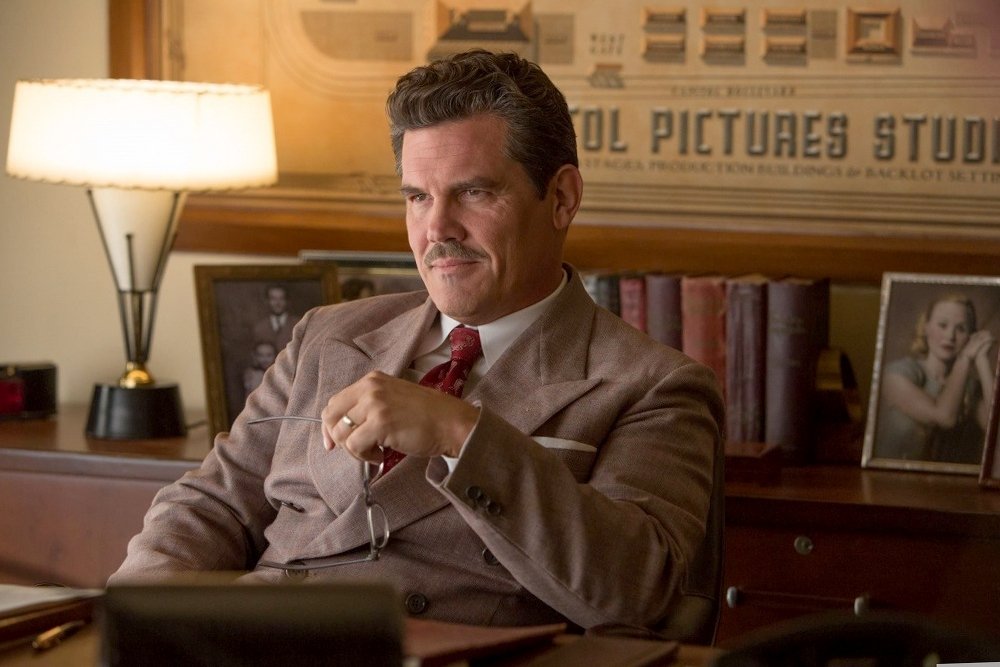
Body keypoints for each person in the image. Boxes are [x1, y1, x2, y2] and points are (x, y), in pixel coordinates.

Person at [110, 49, 724, 632]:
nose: (437, 229)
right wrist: (139, 625)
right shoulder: (327, 334)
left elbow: (635, 591)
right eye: (418, 197)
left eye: (474, 192)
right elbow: (211, 505)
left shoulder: (652, 386)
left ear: (561, 198)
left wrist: (461, 434)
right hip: (244, 642)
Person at [875, 293, 996, 464]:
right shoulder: (897, 373)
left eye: (961, 329)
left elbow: (997, 431)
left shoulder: (970, 386)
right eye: (942, 325)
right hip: (893, 477)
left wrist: (981, 359)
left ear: (971, 336)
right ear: (926, 327)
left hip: (950, 479)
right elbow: (944, 417)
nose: (950, 336)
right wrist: (965, 359)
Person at [251, 284, 299, 352]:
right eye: (273, 299)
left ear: (287, 301)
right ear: (267, 301)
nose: (277, 303)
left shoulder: (298, 324)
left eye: (281, 298)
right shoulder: (259, 328)